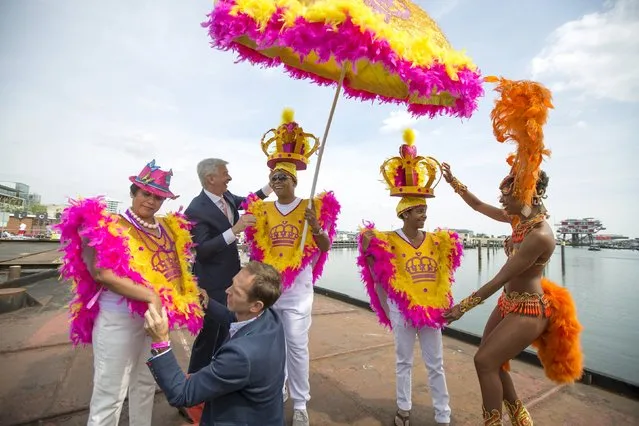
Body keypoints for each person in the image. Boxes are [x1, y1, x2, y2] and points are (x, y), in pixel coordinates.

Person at [441, 76, 584, 425]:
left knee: (484, 362)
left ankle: (493, 422)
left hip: (529, 311)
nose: (502, 197)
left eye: (507, 191)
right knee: (494, 362)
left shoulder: (540, 235)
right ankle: (521, 420)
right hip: (508, 303)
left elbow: (503, 274)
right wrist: (454, 182)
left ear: (527, 191)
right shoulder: (518, 222)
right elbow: (478, 207)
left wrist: (463, 306)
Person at [55, 159, 205, 426]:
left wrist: (186, 294)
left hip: (155, 316)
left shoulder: (168, 228)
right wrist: (151, 296)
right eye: (146, 194)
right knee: (111, 391)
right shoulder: (109, 225)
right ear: (134, 192)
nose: (151, 201)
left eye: (158, 197)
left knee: (146, 384)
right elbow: (102, 274)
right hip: (120, 316)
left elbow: (176, 268)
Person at [243, 108, 340, 426]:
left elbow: (325, 248)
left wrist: (316, 228)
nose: (277, 181)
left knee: (297, 346)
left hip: (298, 291)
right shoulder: (264, 210)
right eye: (273, 178)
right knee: (272, 345)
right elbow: (257, 250)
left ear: (295, 180)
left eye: (282, 177)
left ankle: (301, 403)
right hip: (271, 288)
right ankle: (278, 388)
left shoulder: (310, 207)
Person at [357, 129, 461, 426]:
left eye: (425, 210)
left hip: (432, 311)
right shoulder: (387, 240)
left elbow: (447, 271)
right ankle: (404, 408)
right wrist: (365, 243)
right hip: (403, 311)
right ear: (404, 214)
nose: (423, 215)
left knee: (436, 365)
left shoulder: (436, 240)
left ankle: (443, 414)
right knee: (403, 362)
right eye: (418, 211)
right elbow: (373, 266)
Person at [144, 261, 286, 426]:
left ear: (256, 306)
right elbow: (234, 319)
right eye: (232, 284)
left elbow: (181, 394)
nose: (227, 290)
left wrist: (161, 342)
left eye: (236, 291)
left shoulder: (240, 355)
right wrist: (207, 302)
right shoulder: (270, 317)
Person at [185, 158, 272, 376]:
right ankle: (194, 383)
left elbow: (249, 201)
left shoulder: (227, 197)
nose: (229, 178)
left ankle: (216, 375)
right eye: (225, 174)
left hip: (230, 278)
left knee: (226, 328)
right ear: (210, 178)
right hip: (211, 282)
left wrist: (271, 184)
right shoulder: (196, 209)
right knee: (209, 334)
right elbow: (202, 250)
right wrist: (235, 230)